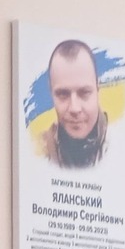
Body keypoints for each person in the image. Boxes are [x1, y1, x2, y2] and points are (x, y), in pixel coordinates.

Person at [39, 40, 107, 169]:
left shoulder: (120, 147)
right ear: (51, 92)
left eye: (84, 93)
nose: (74, 108)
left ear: (98, 88)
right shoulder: (39, 151)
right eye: (63, 94)